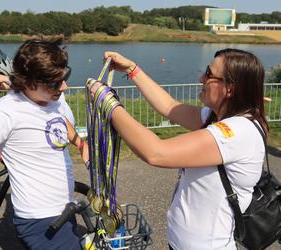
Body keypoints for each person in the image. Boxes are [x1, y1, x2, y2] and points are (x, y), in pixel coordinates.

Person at [89, 49, 268, 249]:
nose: (201, 78)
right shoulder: (217, 117)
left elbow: (156, 153)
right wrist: (132, 69)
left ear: (230, 89)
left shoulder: (236, 132)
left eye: (209, 74)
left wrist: (107, 102)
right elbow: (169, 107)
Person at [0, 39, 88, 249]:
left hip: (63, 210)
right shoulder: (4, 113)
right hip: (40, 220)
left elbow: (71, 135)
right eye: (55, 83)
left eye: (65, 77)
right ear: (29, 83)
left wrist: (86, 152)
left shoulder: (52, 102)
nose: (64, 86)